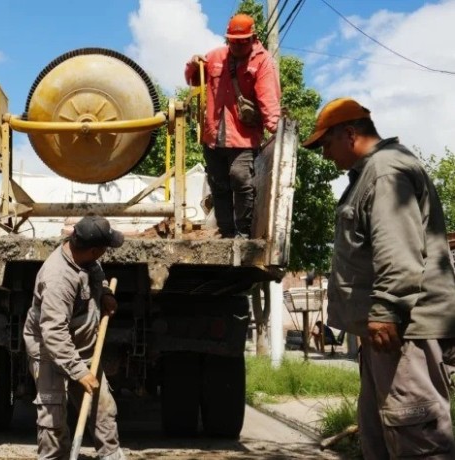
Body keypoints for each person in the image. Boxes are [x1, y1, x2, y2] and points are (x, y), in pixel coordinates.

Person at [303, 97, 455, 459]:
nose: (325, 155)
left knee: (416, 437)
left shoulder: (386, 171)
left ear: (350, 133)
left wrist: (386, 310)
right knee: (382, 436)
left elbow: (397, 251)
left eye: (326, 144)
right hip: (387, 333)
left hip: (404, 331)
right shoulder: (374, 172)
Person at [22, 215, 127, 460]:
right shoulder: (59, 278)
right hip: (50, 350)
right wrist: (79, 372)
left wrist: (104, 293)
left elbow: (95, 272)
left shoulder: (85, 257)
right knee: (53, 421)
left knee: (102, 411)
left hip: (84, 347)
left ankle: (111, 456)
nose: (104, 254)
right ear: (93, 250)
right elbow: (54, 333)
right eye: (104, 249)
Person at [184, 14, 281, 238]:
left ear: (253, 38)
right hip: (213, 135)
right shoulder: (216, 56)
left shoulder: (262, 61)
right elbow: (193, 79)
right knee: (219, 185)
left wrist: (275, 128)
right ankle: (227, 233)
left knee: (240, 177)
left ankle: (243, 231)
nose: (237, 45)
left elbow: (269, 98)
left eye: (242, 41)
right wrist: (193, 64)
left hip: (244, 136)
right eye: (233, 41)